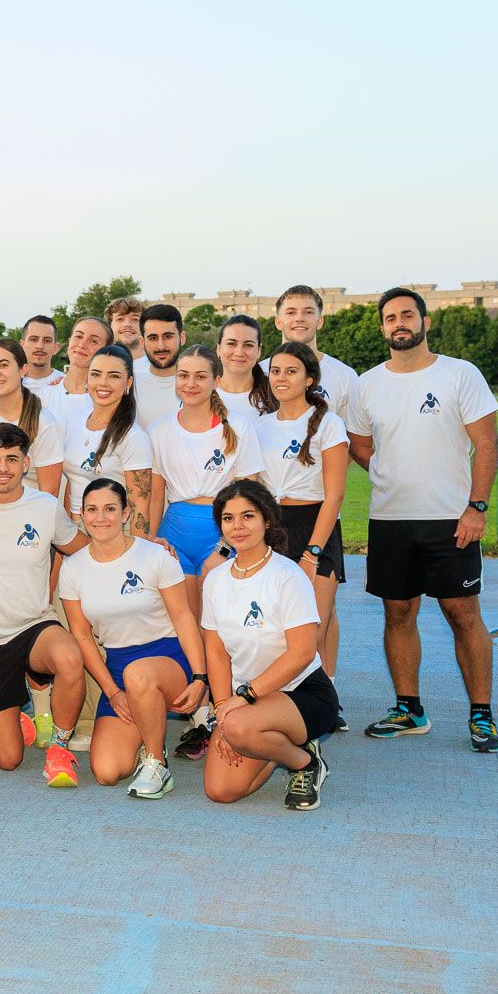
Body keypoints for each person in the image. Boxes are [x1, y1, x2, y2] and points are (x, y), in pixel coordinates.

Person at [344, 287, 498, 752]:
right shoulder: (367, 383)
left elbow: (486, 444)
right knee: (397, 612)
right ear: (382, 327)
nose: (399, 323)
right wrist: (392, 474)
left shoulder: (459, 374)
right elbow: (360, 445)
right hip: (390, 519)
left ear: (426, 322)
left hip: (450, 518)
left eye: (407, 315)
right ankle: (409, 709)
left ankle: (482, 714)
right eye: (391, 317)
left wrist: (476, 507)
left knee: (462, 613)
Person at [0, 423, 86, 782]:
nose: (3, 467)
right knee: (7, 759)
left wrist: (143, 547)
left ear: (27, 462)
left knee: (69, 658)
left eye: (12, 458)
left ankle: (59, 746)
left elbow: (80, 548)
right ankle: (10, 721)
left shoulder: (44, 506)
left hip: (35, 625)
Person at [57, 479, 206, 799]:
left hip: (169, 660)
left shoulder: (156, 555)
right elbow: (82, 636)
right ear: (81, 514)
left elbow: (183, 617)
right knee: (107, 771)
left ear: (125, 513)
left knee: (138, 674)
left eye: (110, 509)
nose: (101, 517)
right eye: (92, 510)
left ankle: (156, 761)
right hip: (119, 669)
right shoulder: (72, 569)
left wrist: (199, 676)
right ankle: (146, 727)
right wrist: (112, 692)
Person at [200, 480, 340, 811]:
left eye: (248, 516)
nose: (238, 526)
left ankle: (304, 762)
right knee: (221, 790)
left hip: (303, 694)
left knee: (239, 727)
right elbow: (216, 652)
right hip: (246, 704)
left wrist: (242, 700)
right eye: (228, 518)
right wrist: (222, 707)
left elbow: (303, 653)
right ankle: (271, 741)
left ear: (267, 520)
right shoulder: (216, 580)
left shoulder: (287, 576)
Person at [148, 344, 266, 616]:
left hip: (221, 532)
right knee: (185, 623)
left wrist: (224, 548)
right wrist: (151, 541)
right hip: (175, 534)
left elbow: (250, 495)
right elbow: (155, 496)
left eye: (200, 376)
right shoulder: (159, 429)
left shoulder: (238, 427)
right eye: (183, 375)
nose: (190, 383)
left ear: (216, 381)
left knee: (220, 623)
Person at [257, 343, 348, 678]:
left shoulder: (329, 424)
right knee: (276, 629)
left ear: (309, 379)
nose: (281, 378)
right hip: (270, 529)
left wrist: (312, 554)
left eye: (291, 371)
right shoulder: (260, 426)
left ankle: (325, 703)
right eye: (276, 371)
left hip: (314, 527)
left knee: (314, 626)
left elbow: (335, 495)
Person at [61, 344, 153, 536]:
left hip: (114, 533)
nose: (103, 382)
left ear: (128, 383)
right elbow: (73, 480)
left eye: (113, 376)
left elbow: (140, 507)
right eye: (95, 374)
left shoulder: (133, 437)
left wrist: (137, 555)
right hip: (74, 529)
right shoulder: (74, 420)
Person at [0, 338, 63, 498]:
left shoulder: (43, 423)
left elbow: (49, 495)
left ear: (23, 370)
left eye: (3, 365)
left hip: (24, 516)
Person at [265, 285, 358, 408]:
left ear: (319, 321)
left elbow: (351, 427)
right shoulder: (260, 373)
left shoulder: (345, 376)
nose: (299, 318)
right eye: (291, 312)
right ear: (278, 322)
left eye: (308, 312)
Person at [215, 314, 278, 424]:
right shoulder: (202, 394)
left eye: (248, 345)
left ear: (258, 351)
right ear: (219, 349)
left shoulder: (276, 395)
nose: (239, 352)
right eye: (231, 343)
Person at [132, 304, 183, 426]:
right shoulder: (129, 387)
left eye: (168, 336)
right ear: (142, 342)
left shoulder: (199, 386)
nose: (161, 346)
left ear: (182, 338)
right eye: (153, 338)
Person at [20, 315, 62, 391]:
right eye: (33, 339)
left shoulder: (66, 384)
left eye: (47, 340)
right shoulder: (9, 384)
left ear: (56, 348)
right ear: (22, 345)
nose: (40, 346)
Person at [106, 297, 146, 362]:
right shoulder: (95, 364)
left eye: (135, 319)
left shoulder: (160, 366)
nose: (127, 324)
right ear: (110, 325)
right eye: (120, 319)